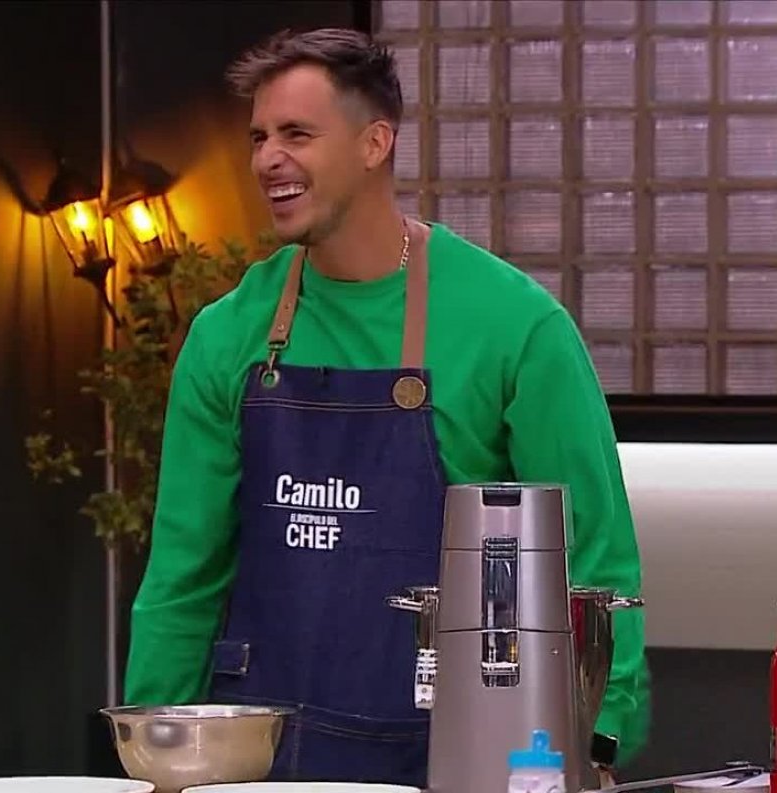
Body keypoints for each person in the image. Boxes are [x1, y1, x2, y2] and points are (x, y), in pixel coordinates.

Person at [122, 26, 649, 787]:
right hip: (256, 762)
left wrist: (593, 739)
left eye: (297, 134)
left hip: (452, 754)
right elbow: (184, 574)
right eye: (260, 137)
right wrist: (154, 752)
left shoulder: (515, 326)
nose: (268, 158)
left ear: (375, 142)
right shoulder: (227, 334)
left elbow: (594, 561)